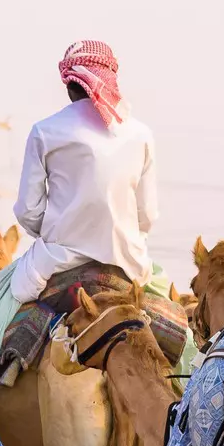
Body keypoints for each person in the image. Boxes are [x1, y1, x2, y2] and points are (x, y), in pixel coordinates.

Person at [9, 40, 158, 302]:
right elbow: (147, 214)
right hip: (128, 262)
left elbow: (27, 211)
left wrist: (61, 231)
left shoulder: (45, 131)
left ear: (69, 84)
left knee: (4, 302)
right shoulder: (141, 134)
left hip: (57, 260)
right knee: (175, 315)